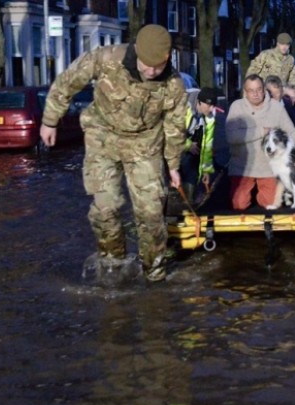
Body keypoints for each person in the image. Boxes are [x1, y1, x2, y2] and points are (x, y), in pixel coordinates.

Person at [39, 24, 187, 283]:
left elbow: (175, 127)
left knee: (151, 214)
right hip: (102, 138)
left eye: (158, 67)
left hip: (145, 143)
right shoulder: (106, 59)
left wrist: (173, 165)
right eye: (146, 65)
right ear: (136, 52)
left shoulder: (174, 85)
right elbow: (68, 81)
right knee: (105, 209)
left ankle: (154, 273)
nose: (151, 72)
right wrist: (50, 120)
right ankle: (113, 263)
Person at [225, 74, 295, 211]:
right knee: (239, 204)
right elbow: (231, 137)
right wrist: (261, 131)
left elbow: (291, 132)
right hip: (243, 166)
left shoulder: (276, 108)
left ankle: (261, 193)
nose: (256, 94)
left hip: (269, 167)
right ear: (245, 92)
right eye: (251, 91)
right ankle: (246, 192)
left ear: (263, 89)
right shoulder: (236, 107)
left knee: (273, 203)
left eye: (259, 89)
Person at [180, 87, 218, 202]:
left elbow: (207, 145)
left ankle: (190, 198)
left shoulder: (210, 117)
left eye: (213, 106)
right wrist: (188, 145)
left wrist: (206, 170)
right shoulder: (182, 108)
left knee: (194, 162)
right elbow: (172, 132)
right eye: (209, 105)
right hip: (173, 145)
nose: (211, 109)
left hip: (192, 142)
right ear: (199, 102)